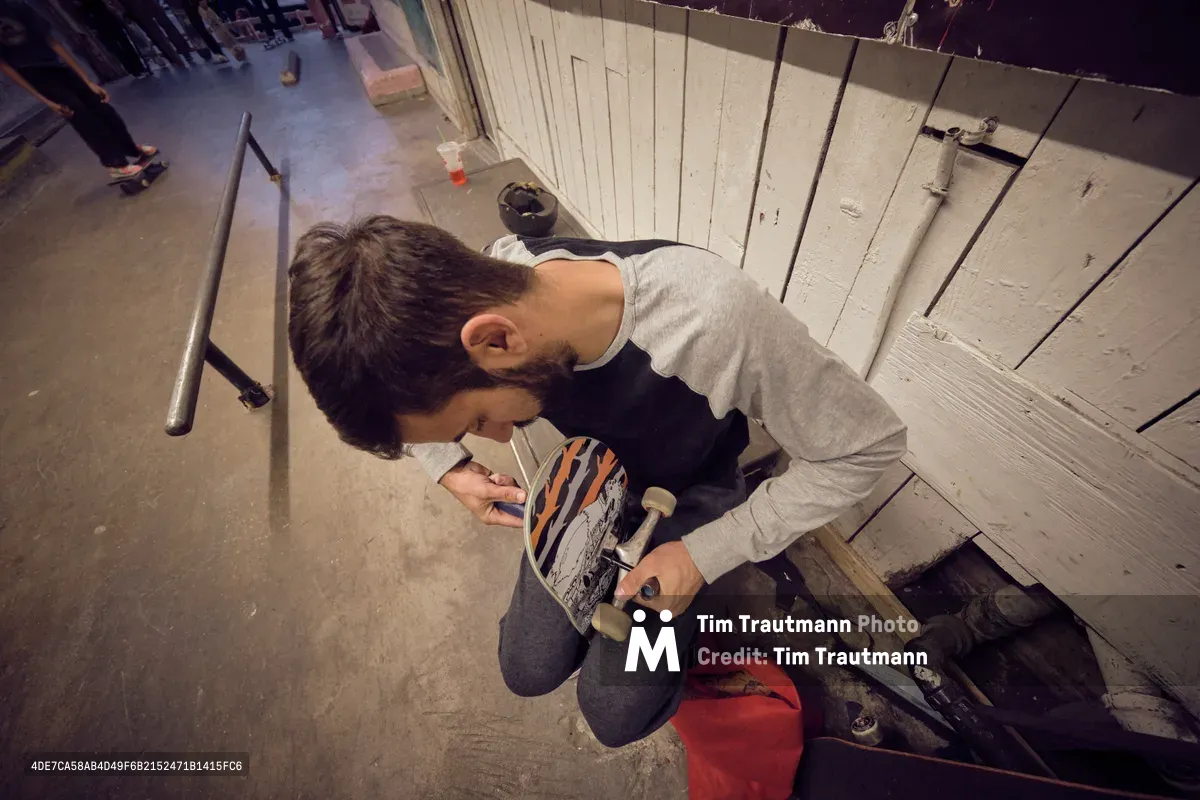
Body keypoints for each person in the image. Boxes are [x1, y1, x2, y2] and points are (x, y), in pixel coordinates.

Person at [286, 218, 907, 748]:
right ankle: (601, 591)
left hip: (692, 503)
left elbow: (866, 447)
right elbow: (405, 391)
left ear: (497, 339)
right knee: (525, 670)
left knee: (614, 714)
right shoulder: (485, 276)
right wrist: (446, 466)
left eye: (478, 420)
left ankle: (681, 621)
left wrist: (704, 553)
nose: (500, 440)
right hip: (588, 486)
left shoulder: (713, 320)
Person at [0, 0, 156, 179]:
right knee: (82, 117)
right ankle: (114, 163)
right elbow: (4, 66)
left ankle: (129, 148)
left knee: (103, 108)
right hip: (35, 75)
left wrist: (86, 80)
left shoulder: (17, 5)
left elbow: (53, 41)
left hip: (57, 66)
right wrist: (46, 102)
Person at [75, 0, 148, 78]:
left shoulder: (89, 6)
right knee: (122, 49)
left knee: (123, 48)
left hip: (108, 27)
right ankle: (136, 68)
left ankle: (137, 68)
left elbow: (106, 13)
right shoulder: (85, 8)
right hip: (107, 29)